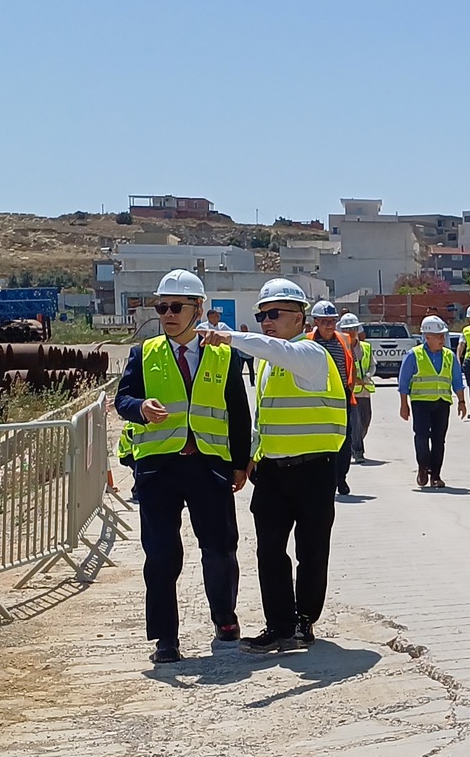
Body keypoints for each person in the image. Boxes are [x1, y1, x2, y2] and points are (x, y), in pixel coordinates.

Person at [114, 270, 250, 663]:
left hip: (208, 466)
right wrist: (140, 407)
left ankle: (224, 617)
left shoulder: (224, 355)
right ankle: (165, 639)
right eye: (162, 308)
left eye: (176, 307)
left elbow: (239, 412)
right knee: (161, 556)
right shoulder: (144, 354)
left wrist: (240, 463)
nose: (168, 315)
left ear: (198, 309)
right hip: (159, 470)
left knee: (220, 548)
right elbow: (123, 400)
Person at [211, 278, 346, 653]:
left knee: (311, 551)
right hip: (272, 472)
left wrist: (230, 337)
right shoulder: (269, 363)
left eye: (274, 314)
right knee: (269, 551)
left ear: (300, 317)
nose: (266, 321)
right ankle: (279, 625)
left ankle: (304, 621)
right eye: (261, 316)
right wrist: (250, 459)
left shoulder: (310, 354)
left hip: (313, 470)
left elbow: (275, 348)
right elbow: (264, 417)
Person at [399, 315, 466, 487]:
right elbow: (403, 382)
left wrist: (462, 401)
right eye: (438, 336)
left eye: (443, 335)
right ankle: (423, 467)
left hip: (442, 402)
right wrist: (404, 405)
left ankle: (435, 475)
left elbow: (457, 381)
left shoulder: (450, 356)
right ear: (427, 337)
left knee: (439, 439)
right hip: (420, 402)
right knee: (421, 436)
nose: (442, 339)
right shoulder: (414, 355)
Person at [307, 300, 359, 497]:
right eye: (324, 321)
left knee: (344, 438)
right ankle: (323, 478)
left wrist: (349, 389)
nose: (329, 325)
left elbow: (352, 364)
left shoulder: (344, 340)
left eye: (332, 321)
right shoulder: (307, 341)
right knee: (319, 438)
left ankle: (341, 477)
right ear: (316, 322)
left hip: (341, 395)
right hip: (316, 395)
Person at [339, 314, 375, 464]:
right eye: (347, 329)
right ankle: (357, 450)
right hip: (349, 390)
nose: (350, 332)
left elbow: (372, 365)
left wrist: (367, 376)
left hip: (364, 390)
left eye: (353, 328)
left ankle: (356, 442)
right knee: (355, 422)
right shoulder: (340, 347)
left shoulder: (366, 347)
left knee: (365, 420)